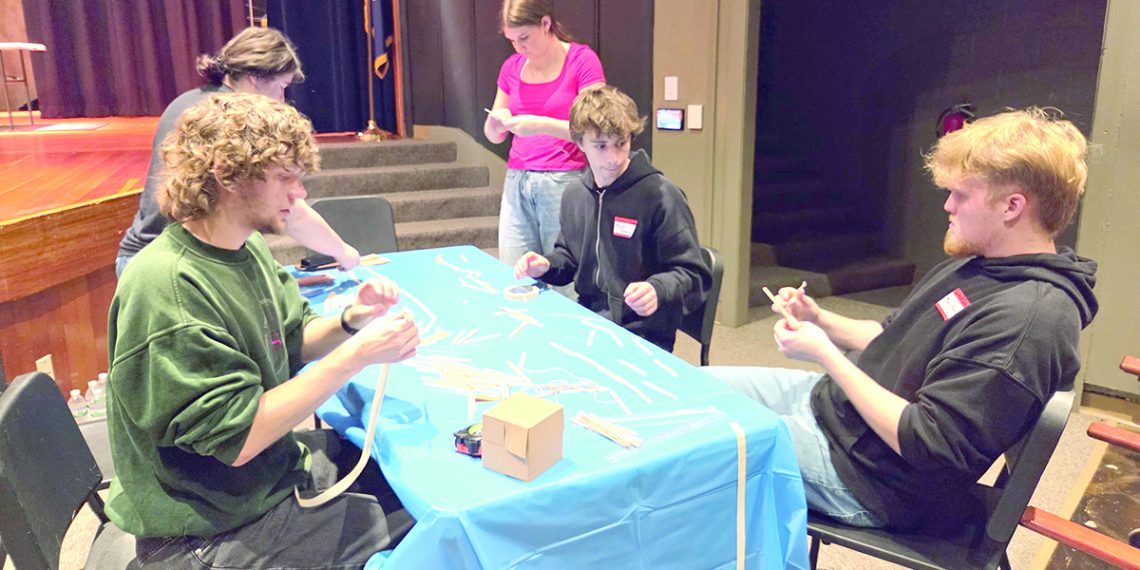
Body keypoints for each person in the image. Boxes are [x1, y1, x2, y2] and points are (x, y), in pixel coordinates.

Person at [704, 108, 1098, 530]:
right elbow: (892, 336)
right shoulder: (980, 264)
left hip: (870, 479)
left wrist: (826, 356)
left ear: (1012, 206)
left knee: (698, 441)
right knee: (691, 389)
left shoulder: (1026, 320)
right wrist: (820, 319)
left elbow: (926, 441)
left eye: (961, 194)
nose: (947, 205)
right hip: (838, 413)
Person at [105, 93, 420, 568]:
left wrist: (352, 321)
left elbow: (290, 339)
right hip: (206, 533)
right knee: (421, 531)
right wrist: (355, 356)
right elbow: (240, 438)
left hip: (253, 487)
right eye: (284, 177)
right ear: (227, 175)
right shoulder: (169, 288)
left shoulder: (243, 249)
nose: (300, 193)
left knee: (395, 479)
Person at [116, 26, 359, 277]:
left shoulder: (190, 100)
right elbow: (293, 213)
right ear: (255, 78)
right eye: (281, 87)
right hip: (170, 269)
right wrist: (344, 252)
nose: (282, 99)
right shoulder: (232, 121)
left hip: (149, 256)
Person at [514, 86, 711, 351]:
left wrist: (657, 289)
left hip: (642, 334)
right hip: (589, 322)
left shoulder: (661, 196)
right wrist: (546, 265)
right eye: (601, 146)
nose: (613, 158)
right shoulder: (575, 194)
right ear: (579, 142)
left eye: (621, 143)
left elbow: (694, 274)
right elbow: (570, 258)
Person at [484, 0, 606, 271]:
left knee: (565, 275)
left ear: (546, 24)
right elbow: (493, 135)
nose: (519, 47)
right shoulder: (512, 67)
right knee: (516, 273)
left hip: (564, 179)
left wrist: (538, 124)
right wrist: (497, 122)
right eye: (512, 40)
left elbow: (597, 130)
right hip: (517, 180)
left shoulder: (581, 60)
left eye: (524, 37)